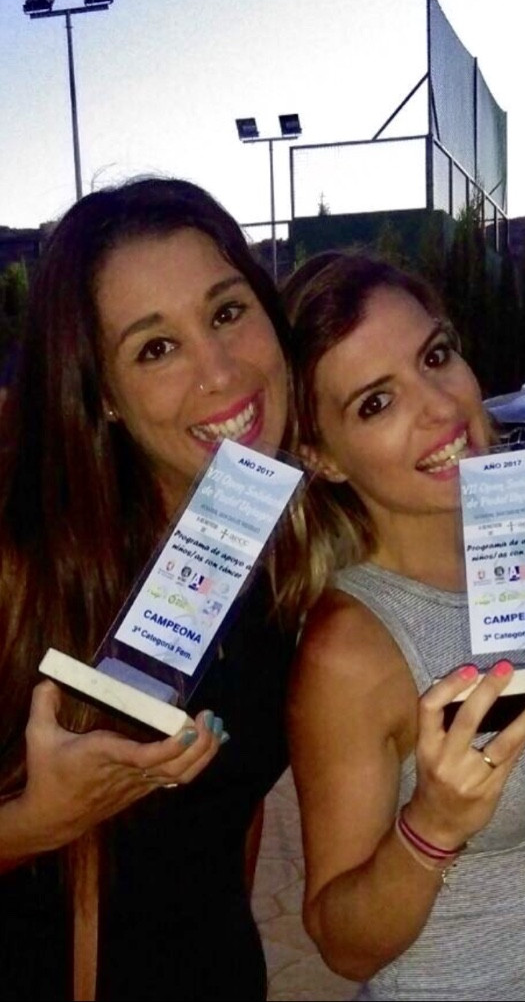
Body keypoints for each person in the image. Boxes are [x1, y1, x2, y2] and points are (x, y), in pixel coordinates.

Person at [0, 177, 296, 1001]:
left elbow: (231, 817)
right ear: (104, 397)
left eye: (227, 311)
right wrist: (38, 822)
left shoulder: (288, 559)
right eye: (156, 348)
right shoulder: (22, 568)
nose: (220, 371)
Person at [281, 252, 525, 1001]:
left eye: (435, 356)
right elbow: (342, 945)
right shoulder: (353, 651)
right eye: (376, 403)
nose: (439, 407)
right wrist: (432, 825)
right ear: (322, 457)